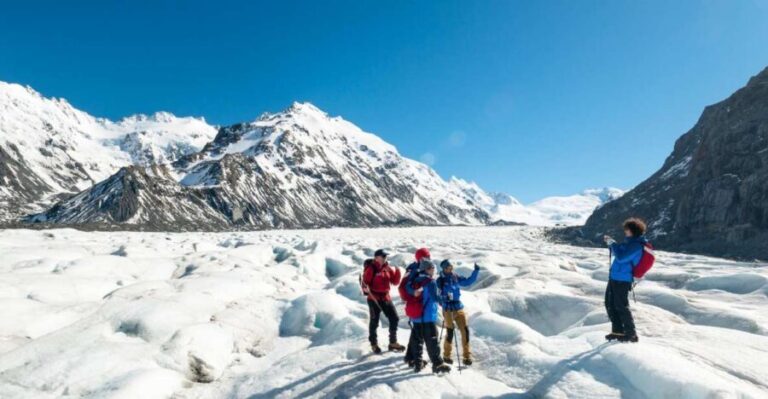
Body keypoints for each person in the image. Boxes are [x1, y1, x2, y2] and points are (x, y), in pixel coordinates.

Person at [603, 218, 648, 343]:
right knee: (610, 304)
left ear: (632, 230)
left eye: (626, 229)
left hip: (622, 279)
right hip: (615, 277)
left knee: (621, 306)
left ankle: (631, 333)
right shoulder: (628, 243)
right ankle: (617, 331)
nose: (625, 232)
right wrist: (612, 244)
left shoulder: (636, 245)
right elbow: (619, 253)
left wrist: (613, 244)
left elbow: (622, 258)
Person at [407, 259, 451, 374]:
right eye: (432, 268)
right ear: (426, 269)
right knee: (432, 341)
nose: (433, 270)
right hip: (427, 317)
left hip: (416, 317)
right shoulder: (430, 282)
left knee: (417, 341)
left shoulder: (415, 280)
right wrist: (446, 299)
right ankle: (437, 364)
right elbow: (436, 298)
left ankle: (417, 364)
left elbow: (408, 289)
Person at [437, 259, 480, 366]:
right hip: (448, 309)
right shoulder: (440, 280)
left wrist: (476, 271)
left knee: (465, 330)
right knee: (450, 332)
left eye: (451, 267)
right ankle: (446, 355)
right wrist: (444, 299)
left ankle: (467, 356)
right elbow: (437, 295)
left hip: (458, 306)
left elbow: (468, 281)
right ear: (444, 269)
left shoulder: (455, 276)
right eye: (448, 267)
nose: (450, 269)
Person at [362, 249, 405, 353]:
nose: (385, 257)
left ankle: (393, 342)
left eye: (386, 256)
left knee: (394, 318)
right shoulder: (371, 268)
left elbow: (395, 282)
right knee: (374, 322)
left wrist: (398, 270)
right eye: (383, 256)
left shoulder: (387, 268)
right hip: (373, 298)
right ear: (376, 258)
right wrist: (365, 289)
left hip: (385, 297)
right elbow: (364, 282)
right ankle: (374, 343)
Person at [402, 248, 431, 369]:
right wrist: (414, 293)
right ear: (420, 258)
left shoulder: (416, 267)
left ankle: (410, 356)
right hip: (416, 304)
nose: (429, 258)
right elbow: (407, 286)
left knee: (415, 332)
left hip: (418, 304)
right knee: (418, 333)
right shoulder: (415, 270)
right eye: (426, 256)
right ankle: (413, 360)